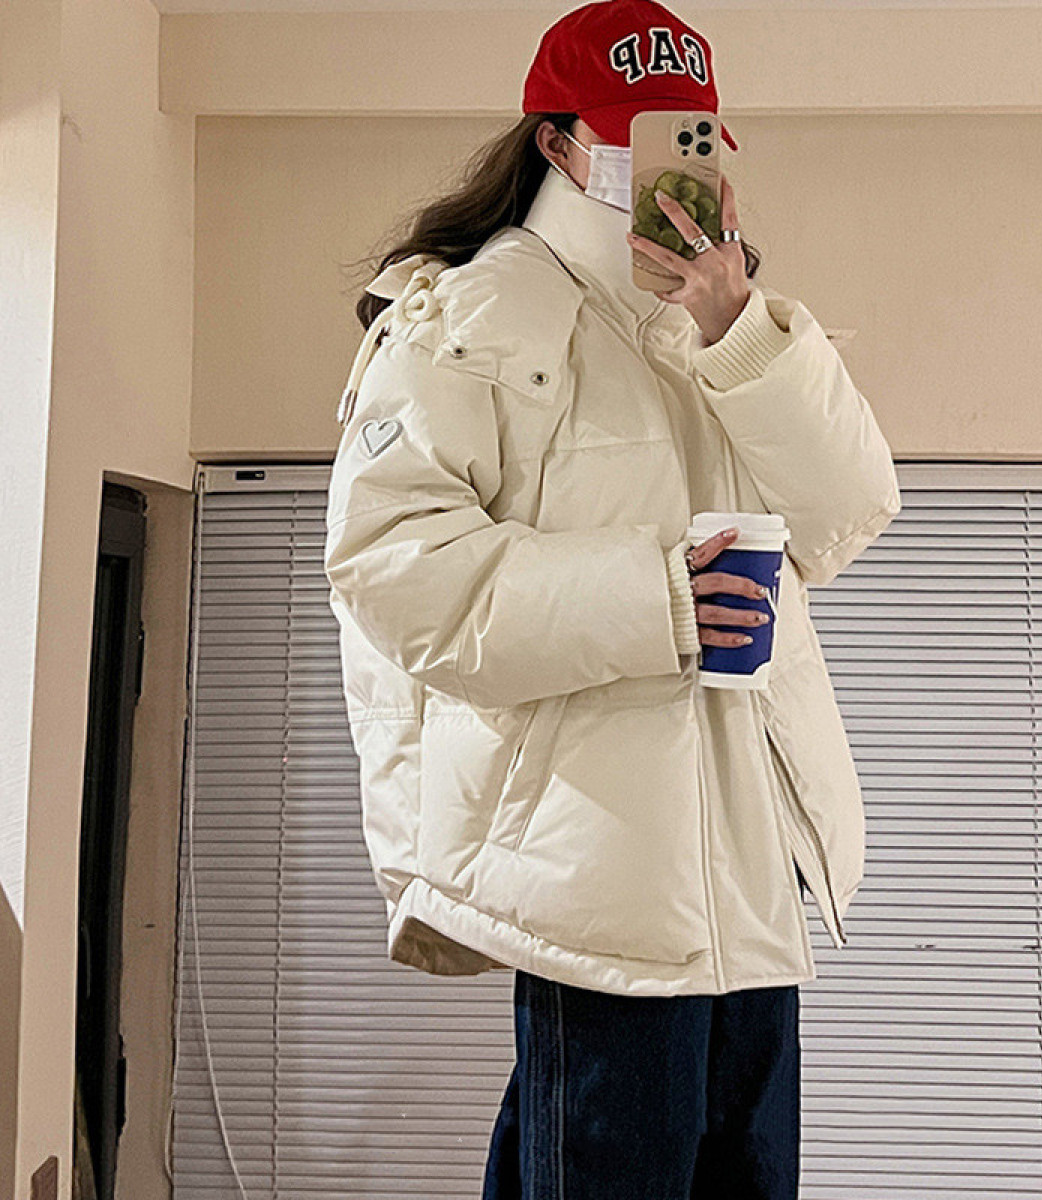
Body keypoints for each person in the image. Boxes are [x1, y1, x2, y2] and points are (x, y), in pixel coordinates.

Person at [323, 0, 901, 1193]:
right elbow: (395, 571)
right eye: (636, 134)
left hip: (753, 873)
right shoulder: (461, 320)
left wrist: (737, 327)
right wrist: (657, 599)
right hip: (595, 867)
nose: (670, 160)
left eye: (693, 134)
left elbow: (845, 517)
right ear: (559, 142)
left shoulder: (723, 319)